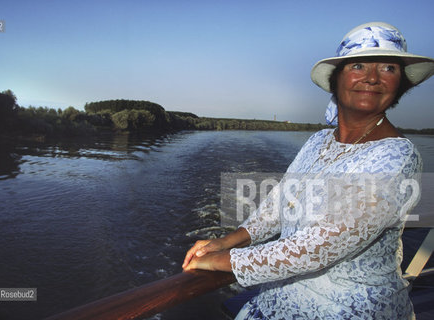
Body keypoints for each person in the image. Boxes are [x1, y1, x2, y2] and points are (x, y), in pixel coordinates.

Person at [182, 22, 434, 319]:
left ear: (400, 84)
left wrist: (222, 261)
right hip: (277, 299)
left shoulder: (398, 157)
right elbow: (279, 204)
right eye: (358, 65)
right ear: (336, 79)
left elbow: (316, 248)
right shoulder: (318, 141)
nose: (372, 78)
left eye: (388, 68)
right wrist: (225, 241)